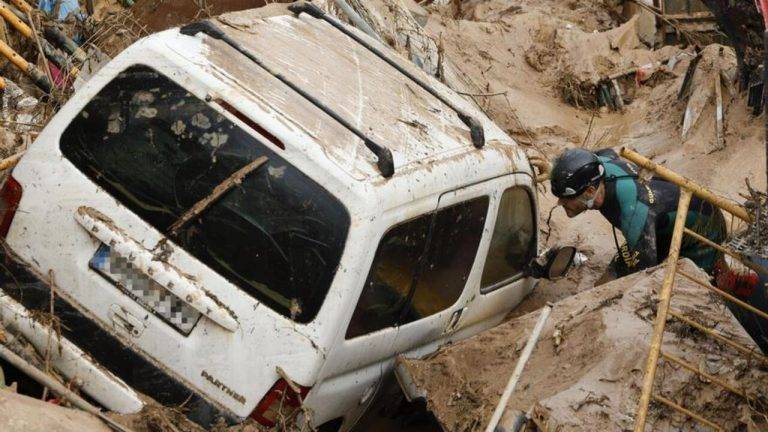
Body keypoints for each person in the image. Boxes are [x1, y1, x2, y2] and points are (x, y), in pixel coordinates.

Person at [549, 148, 726, 282]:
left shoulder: (632, 213)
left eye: (565, 198)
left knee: (699, 287)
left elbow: (645, 272)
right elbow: (600, 154)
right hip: (661, 219)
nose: (559, 203)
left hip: (703, 233)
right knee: (606, 280)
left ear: (589, 191)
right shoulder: (601, 163)